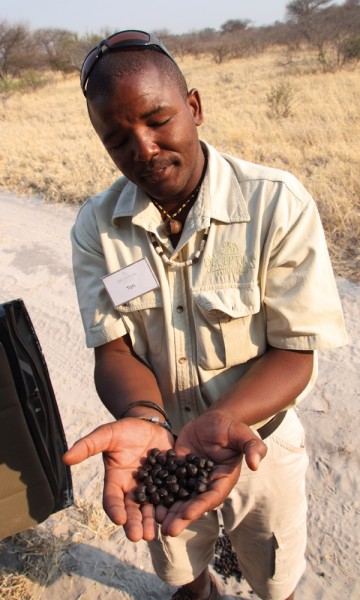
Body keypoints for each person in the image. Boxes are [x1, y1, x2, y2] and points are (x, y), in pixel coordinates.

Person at [63, 30, 348, 600]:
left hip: (259, 442)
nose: (142, 148)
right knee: (180, 567)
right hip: (162, 449)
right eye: (117, 139)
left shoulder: (276, 203)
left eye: (157, 119)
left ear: (193, 107)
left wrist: (223, 420)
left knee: (275, 579)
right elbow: (114, 349)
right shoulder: (96, 227)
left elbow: (296, 352)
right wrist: (145, 418)